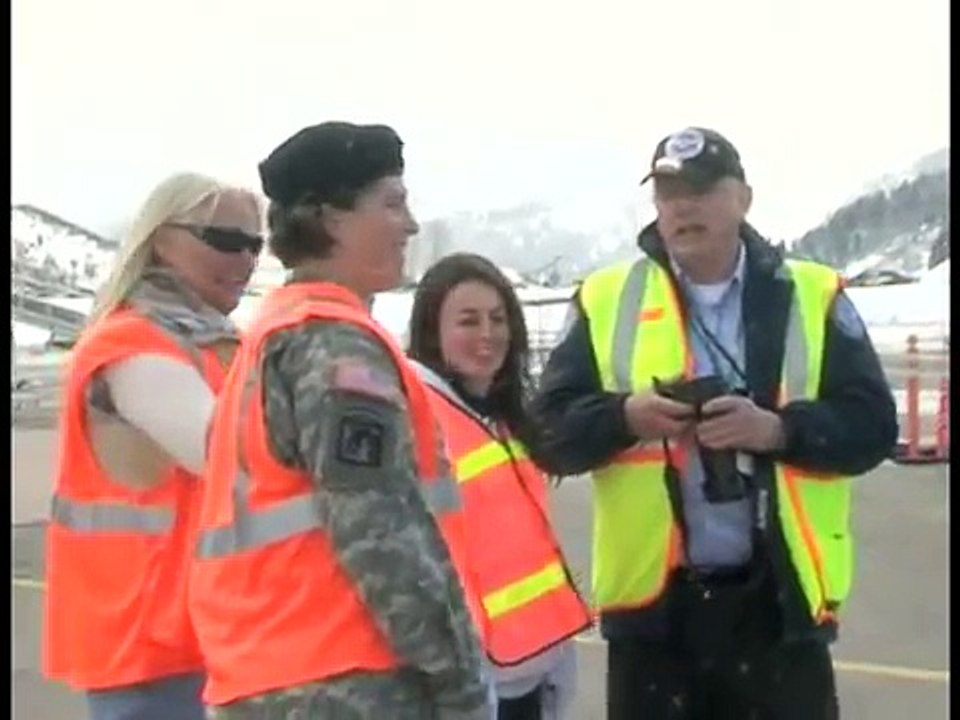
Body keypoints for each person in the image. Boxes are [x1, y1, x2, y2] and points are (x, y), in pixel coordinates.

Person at [531, 127, 898, 719]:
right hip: (654, 618)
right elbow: (548, 436)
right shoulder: (605, 298)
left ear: (743, 198)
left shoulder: (811, 293)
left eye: (702, 189)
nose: (683, 206)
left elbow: (873, 427)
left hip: (778, 610)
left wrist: (776, 432)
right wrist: (627, 416)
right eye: (669, 192)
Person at [188, 121, 492, 719]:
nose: (409, 224)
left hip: (279, 675)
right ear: (331, 220)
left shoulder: (281, 331)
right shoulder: (334, 347)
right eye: (392, 204)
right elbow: (381, 536)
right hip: (345, 682)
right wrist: (461, 682)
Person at [43, 172, 263, 720]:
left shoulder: (218, 343)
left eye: (254, 245)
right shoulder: (131, 343)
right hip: (151, 650)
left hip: (212, 637)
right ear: (162, 241)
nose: (245, 259)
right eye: (224, 240)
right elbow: (227, 454)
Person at [407, 253, 592, 719]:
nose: (487, 335)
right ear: (433, 332)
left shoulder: (501, 418)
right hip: (475, 676)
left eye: (497, 318)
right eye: (468, 322)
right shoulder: (419, 417)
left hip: (532, 663)